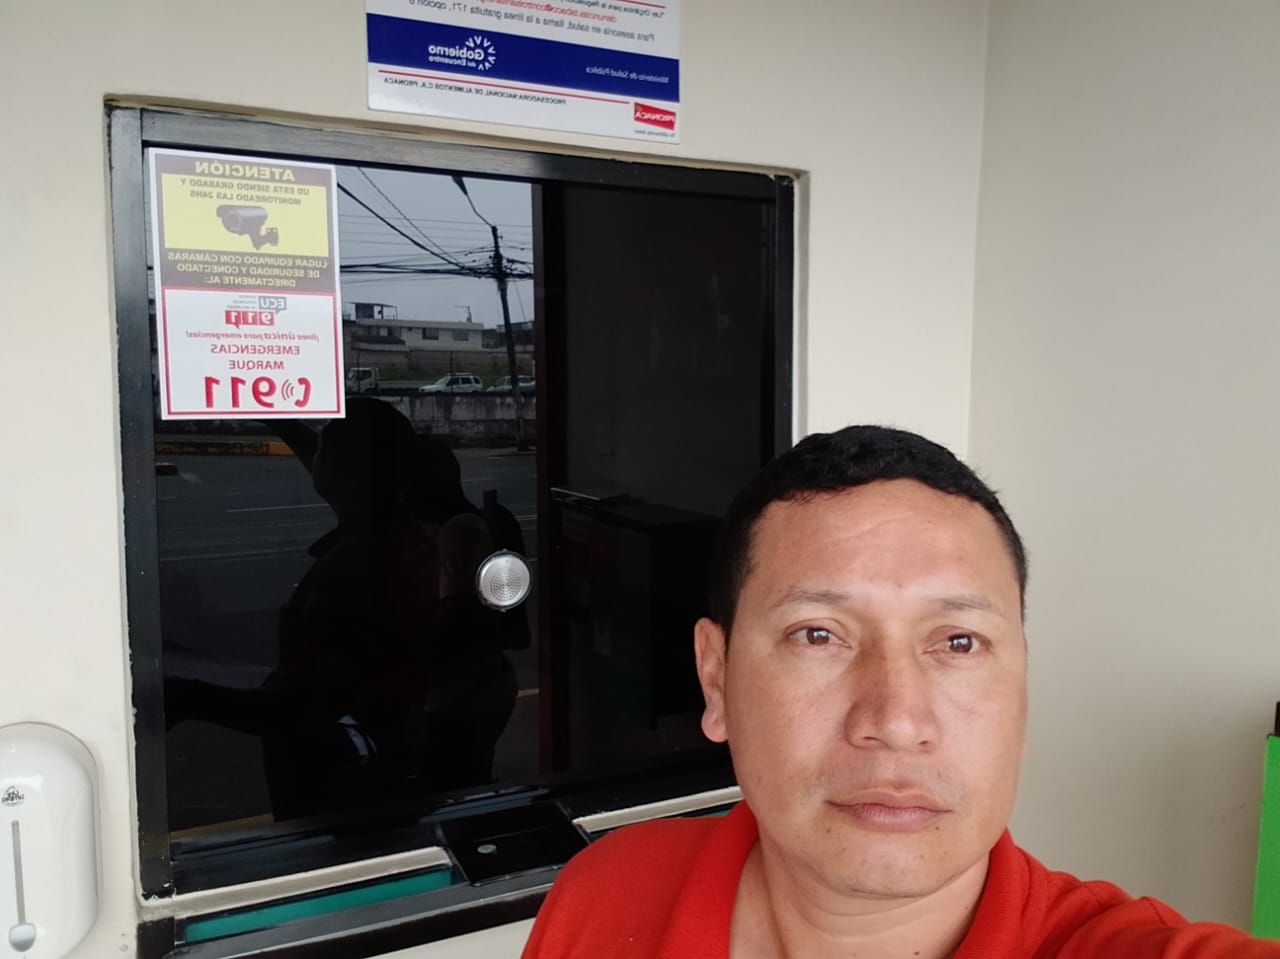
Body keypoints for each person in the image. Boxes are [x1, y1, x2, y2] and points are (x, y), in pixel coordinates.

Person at [522, 425, 1280, 958]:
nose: (895, 719)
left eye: (959, 642)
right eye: (818, 634)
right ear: (715, 677)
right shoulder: (607, 893)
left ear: (1023, 691)